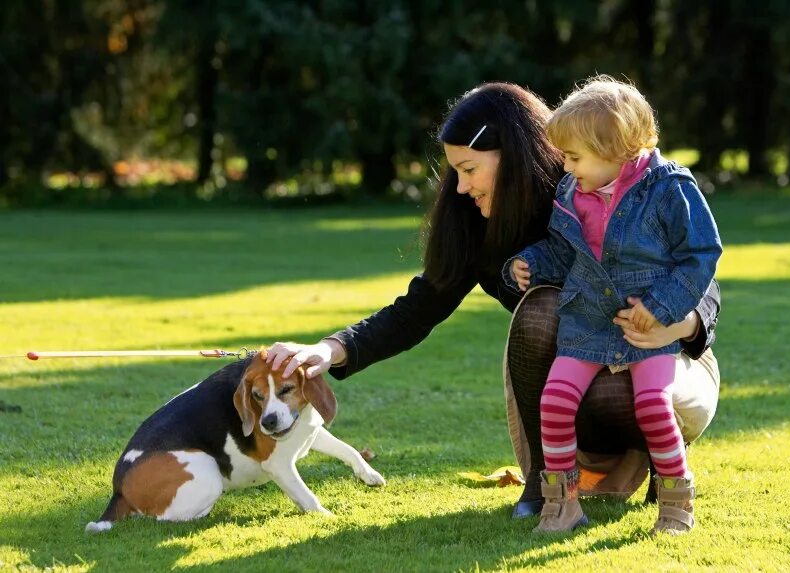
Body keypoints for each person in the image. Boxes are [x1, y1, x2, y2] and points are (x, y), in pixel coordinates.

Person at [265, 82, 721, 522]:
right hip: (578, 377)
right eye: (454, 171)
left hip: (667, 365)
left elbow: (703, 275)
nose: (460, 187)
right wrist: (327, 350)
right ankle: (550, 483)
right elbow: (418, 308)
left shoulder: (596, 188)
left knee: (600, 360)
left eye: (469, 169)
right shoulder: (479, 225)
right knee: (542, 311)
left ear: (514, 157)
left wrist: (677, 325)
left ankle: (669, 469)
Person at [506, 75, 722, 535]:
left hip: (645, 328)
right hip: (586, 322)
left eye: (574, 157)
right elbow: (564, 251)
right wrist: (530, 262)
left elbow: (701, 254)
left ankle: (675, 499)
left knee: (652, 406)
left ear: (615, 148)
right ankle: (562, 503)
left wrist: (664, 308)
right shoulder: (571, 194)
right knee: (556, 400)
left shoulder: (669, 188)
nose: (566, 168)